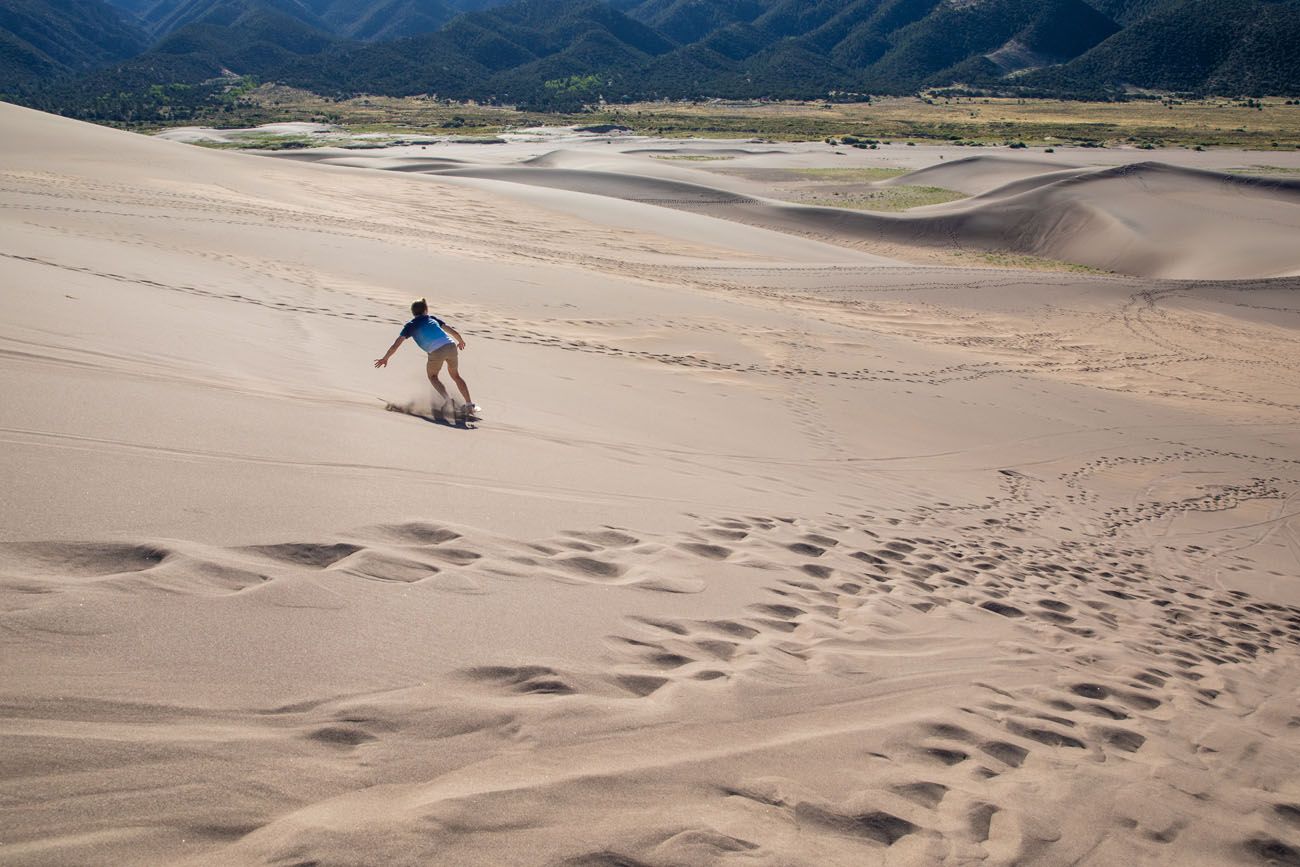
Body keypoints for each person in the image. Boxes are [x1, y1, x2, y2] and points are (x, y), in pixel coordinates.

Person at [374, 299, 479, 416]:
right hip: (451, 346)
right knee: (455, 376)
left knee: (433, 376)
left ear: (413, 312)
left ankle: (448, 400)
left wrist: (385, 358)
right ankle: (469, 405)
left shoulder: (410, 326)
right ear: (425, 310)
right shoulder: (432, 318)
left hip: (436, 351)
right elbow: (452, 331)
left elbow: (395, 345)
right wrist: (461, 341)